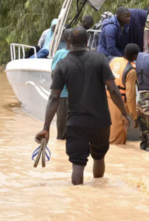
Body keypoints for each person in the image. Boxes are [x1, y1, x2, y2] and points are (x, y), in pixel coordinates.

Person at [34, 26, 129, 185]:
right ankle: (98, 195)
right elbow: (113, 89)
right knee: (99, 157)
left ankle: (77, 200)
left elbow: (54, 98)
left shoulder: (62, 65)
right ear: (87, 42)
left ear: (68, 42)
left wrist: (46, 127)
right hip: (101, 121)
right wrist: (124, 112)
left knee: (77, 164)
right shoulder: (100, 59)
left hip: (77, 122)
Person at [108, 44, 140, 144]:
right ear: (135, 56)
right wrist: (134, 116)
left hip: (107, 99)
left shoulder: (114, 60)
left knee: (109, 133)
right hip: (120, 104)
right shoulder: (131, 71)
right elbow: (130, 96)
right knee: (117, 139)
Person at [51, 29, 72, 140]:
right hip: (63, 94)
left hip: (78, 95)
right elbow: (54, 73)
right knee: (62, 124)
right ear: (69, 40)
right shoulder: (60, 54)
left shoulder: (81, 53)